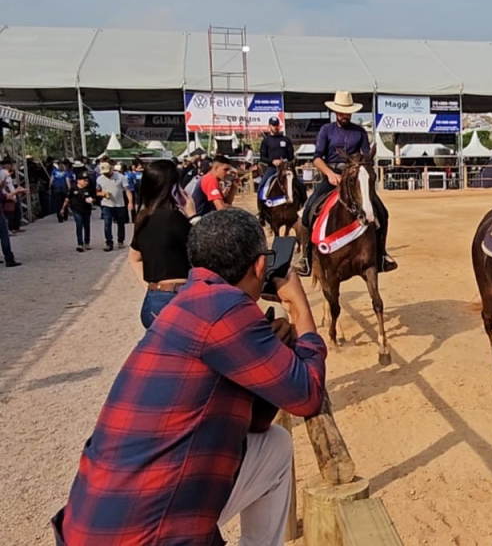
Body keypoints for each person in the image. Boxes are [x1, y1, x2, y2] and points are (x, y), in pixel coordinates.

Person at [51, 208, 326, 546]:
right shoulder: (228, 309)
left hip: (93, 522)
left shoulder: (186, 300)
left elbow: (255, 422)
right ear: (259, 266)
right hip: (145, 535)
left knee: (274, 444)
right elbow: (308, 395)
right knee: (312, 205)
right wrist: (299, 307)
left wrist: (269, 351)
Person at [295, 91, 396, 276]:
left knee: (382, 211)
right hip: (331, 176)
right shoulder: (326, 130)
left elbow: (366, 156)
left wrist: (359, 172)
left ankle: (381, 254)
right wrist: (330, 174)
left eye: (347, 112)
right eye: (341, 112)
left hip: (354, 178)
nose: (344, 115)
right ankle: (306, 258)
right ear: (335, 112)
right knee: (308, 212)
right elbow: (317, 158)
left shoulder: (360, 132)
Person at [128, 159, 197, 328]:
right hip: (177, 298)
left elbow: (134, 258)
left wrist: (151, 288)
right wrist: (193, 215)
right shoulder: (174, 218)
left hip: (153, 298)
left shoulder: (143, 218)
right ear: (174, 188)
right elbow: (206, 249)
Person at [257, 117, 304, 221]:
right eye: (273, 125)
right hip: (272, 169)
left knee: (301, 184)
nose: (275, 127)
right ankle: (262, 213)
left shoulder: (285, 140)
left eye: (277, 125)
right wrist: (272, 161)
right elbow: (262, 157)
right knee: (261, 186)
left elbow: (291, 155)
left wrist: (286, 161)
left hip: (286, 168)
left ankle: (303, 207)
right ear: (269, 126)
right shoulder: (266, 141)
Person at [95, 161, 134, 252]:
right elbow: (97, 192)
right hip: (106, 204)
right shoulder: (99, 179)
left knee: (121, 223)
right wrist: (102, 194)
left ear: (111, 169)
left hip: (119, 204)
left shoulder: (120, 177)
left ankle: (121, 240)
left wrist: (130, 202)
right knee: (107, 224)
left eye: (107, 172)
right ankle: (109, 242)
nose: (106, 174)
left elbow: (127, 190)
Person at [62, 172, 96, 252]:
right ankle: (80, 243)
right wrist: (63, 208)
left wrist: (92, 200)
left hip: (86, 209)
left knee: (87, 226)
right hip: (76, 209)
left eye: (87, 181)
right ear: (78, 181)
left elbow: (94, 197)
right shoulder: (73, 188)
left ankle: (87, 242)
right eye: (84, 180)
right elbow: (68, 198)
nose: (86, 182)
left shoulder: (89, 188)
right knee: (79, 225)